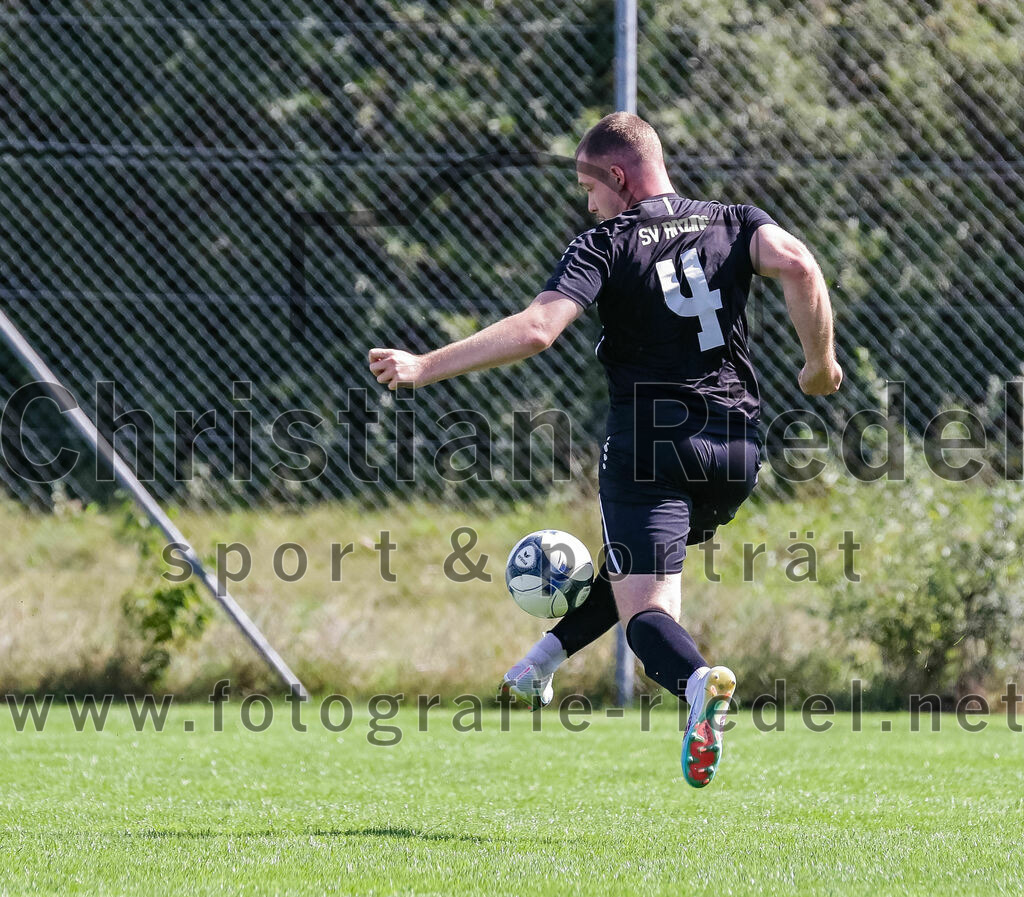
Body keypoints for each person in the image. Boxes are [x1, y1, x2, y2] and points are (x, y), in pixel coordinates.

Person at [369, 112, 842, 788]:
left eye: (590, 188)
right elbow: (798, 263)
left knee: (647, 614)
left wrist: (424, 365)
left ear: (618, 177)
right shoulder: (734, 221)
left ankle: (697, 682)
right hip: (735, 449)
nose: (589, 205)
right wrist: (820, 363)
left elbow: (538, 329)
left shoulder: (607, 242)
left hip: (650, 447)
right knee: (630, 573)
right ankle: (539, 662)